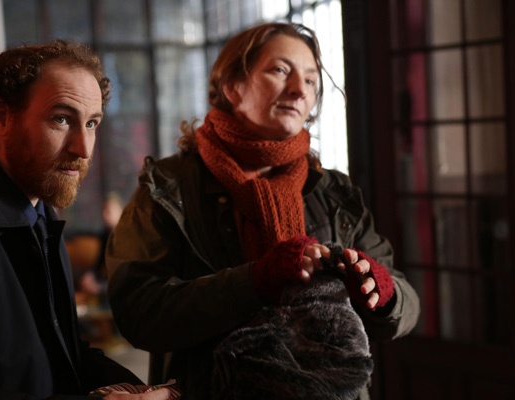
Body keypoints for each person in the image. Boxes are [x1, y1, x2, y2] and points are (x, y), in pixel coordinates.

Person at [105, 22, 420, 399]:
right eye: (280, 70)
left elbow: (407, 305)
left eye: (311, 80)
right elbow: (139, 313)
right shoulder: (168, 187)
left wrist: (382, 291)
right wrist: (253, 281)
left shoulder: (332, 189)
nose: (299, 90)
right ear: (231, 85)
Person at [0, 40, 176, 400]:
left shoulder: (37, 207)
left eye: (91, 123)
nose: (83, 148)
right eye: (61, 119)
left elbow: (63, 354)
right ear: (2, 117)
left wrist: (141, 390)